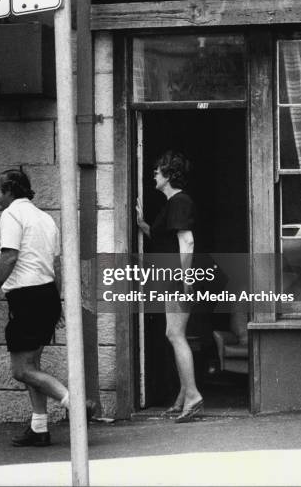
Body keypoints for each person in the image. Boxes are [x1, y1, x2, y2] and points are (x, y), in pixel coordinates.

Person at [0, 168, 93, 446]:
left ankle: (75, 404)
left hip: (26, 298)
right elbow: (55, 266)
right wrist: (58, 303)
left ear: (10, 191)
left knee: (21, 370)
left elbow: (9, 258)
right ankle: (39, 428)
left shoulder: (11, 215)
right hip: (46, 296)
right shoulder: (45, 218)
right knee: (33, 364)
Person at [136, 151, 204, 422]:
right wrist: (142, 225)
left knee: (176, 335)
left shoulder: (180, 201)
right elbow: (165, 237)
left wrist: (186, 280)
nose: (154, 174)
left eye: (157, 171)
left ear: (169, 175)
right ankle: (183, 395)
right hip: (173, 275)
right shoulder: (172, 203)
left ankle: (193, 395)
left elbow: (186, 242)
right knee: (173, 334)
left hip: (178, 277)